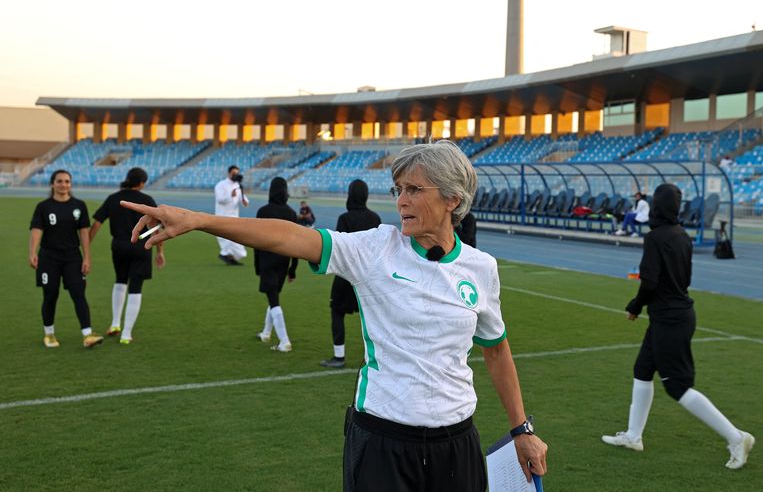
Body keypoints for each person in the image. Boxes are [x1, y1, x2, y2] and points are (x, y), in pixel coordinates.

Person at [121, 140, 548, 491]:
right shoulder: (375, 249)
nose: (401, 201)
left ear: (453, 197)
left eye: (414, 190)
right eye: (398, 189)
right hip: (383, 441)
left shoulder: (481, 269)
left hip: (457, 444)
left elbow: (497, 351)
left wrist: (521, 430)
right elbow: (290, 236)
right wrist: (198, 219)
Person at [602, 183, 755, 470]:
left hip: (670, 319)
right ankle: (634, 436)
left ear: (657, 207)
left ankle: (736, 438)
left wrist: (635, 306)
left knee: (678, 387)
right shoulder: (682, 235)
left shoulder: (655, 238)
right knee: (643, 370)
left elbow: (649, 282)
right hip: (675, 313)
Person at [89, 167, 166, 345]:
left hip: (119, 246)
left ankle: (115, 324)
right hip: (141, 246)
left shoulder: (114, 198)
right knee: (136, 286)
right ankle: (126, 334)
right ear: (142, 183)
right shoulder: (147, 200)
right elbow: (157, 228)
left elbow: (97, 223)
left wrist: (86, 247)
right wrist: (160, 251)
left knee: (120, 280)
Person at [28, 169, 103, 349]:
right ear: (52, 184)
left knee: (78, 294)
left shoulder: (79, 205)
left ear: (71, 184)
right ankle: (49, 334)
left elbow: (84, 233)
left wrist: (87, 257)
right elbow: (37, 231)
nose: (64, 185)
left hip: (72, 258)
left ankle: (87, 335)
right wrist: (33, 252)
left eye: (67, 181)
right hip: (48, 258)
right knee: (50, 295)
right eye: (60, 181)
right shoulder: (43, 207)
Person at [319, 179, 381, 369]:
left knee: (337, 311)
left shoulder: (345, 218)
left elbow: (339, 248)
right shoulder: (375, 218)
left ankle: (339, 356)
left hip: (346, 275)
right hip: (368, 275)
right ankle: (376, 356)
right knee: (373, 317)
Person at [254, 177, 299, 352]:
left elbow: (255, 242)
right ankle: (266, 333)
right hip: (283, 261)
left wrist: (257, 265)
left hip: (266, 260)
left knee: (273, 301)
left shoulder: (263, 211)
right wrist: (293, 269)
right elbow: (297, 244)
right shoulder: (291, 213)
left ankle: (284, 341)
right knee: (274, 296)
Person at [214, 165, 249, 265]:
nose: (236, 175)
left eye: (237, 173)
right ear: (229, 173)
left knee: (237, 241)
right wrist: (230, 195)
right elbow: (220, 200)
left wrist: (244, 201)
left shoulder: (238, 185)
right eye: (234, 173)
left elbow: (244, 199)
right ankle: (225, 254)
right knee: (228, 237)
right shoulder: (221, 185)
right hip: (222, 216)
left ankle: (229, 256)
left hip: (234, 216)